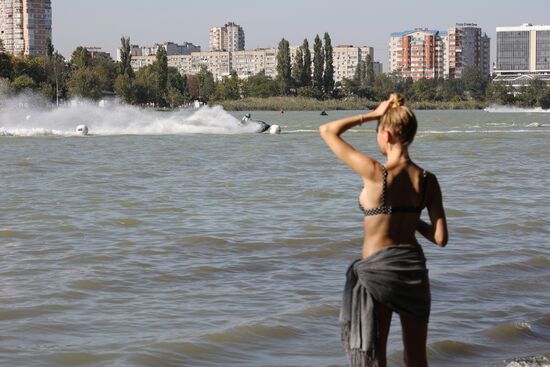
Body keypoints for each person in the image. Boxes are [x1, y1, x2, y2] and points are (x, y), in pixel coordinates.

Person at [319, 93, 448, 367]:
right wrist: (412, 220)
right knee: (416, 357)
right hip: (413, 271)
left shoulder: (377, 173)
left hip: (380, 273)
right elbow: (440, 238)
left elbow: (327, 130)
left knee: (374, 358)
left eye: (378, 131)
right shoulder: (428, 181)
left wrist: (372, 114)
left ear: (387, 134)